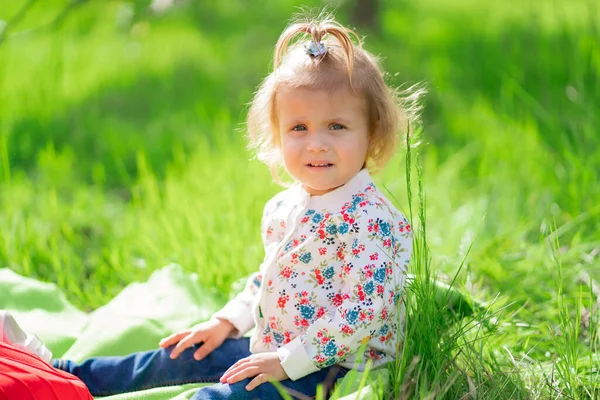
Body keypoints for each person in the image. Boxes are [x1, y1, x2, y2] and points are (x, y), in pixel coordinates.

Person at [1, 14, 420, 400]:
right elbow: (267, 280)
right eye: (298, 128)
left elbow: (363, 311)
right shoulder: (285, 206)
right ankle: (65, 373)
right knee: (180, 356)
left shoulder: (374, 220)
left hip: (331, 368)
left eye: (337, 126)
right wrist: (227, 322)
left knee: (224, 397)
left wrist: (287, 361)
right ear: (276, 134)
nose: (316, 142)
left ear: (373, 132)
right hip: (272, 346)